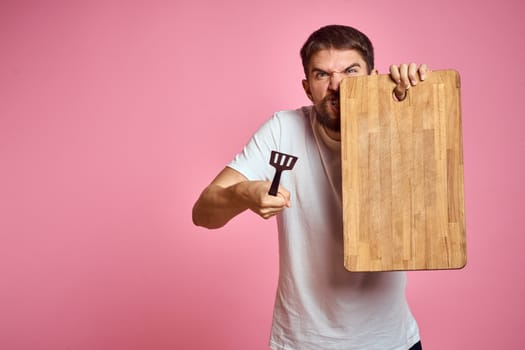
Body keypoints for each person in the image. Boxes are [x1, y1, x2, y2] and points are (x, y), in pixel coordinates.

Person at [192, 24, 427, 350]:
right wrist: (244, 192)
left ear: (374, 76)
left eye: (351, 71)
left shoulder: (399, 124)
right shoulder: (282, 130)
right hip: (304, 342)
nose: (337, 85)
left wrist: (415, 99)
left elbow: (431, 199)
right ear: (307, 87)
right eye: (322, 75)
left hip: (390, 341)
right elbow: (203, 213)